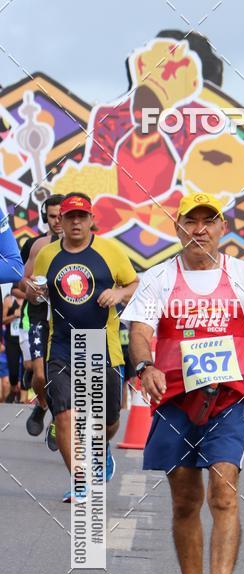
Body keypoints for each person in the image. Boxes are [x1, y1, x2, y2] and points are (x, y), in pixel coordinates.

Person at [122, 191, 244, 574]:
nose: (199, 230)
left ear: (222, 228)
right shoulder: (158, 278)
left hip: (227, 403)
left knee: (224, 495)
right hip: (175, 404)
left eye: (208, 222)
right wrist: (145, 365)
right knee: (185, 502)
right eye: (190, 222)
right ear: (178, 228)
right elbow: (139, 331)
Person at [28, 192, 138, 501]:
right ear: (59, 222)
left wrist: (118, 295)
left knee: (110, 419)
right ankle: (80, 482)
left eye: (82, 217)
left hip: (103, 346)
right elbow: (34, 292)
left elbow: (133, 284)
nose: (76, 222)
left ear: (91, 221)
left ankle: (100, 449)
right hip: (62, 346)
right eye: (69, 217)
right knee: (64, 414)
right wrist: (35, 292)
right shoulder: (47, 255)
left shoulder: (111, 252)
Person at [19, 194, 64, 444]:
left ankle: (59, 421)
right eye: (52, 216)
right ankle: (42, 406)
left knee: (62, 378)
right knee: (39, 377)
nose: (57, 221)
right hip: (39, 318)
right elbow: (23, 281)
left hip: (66, 320)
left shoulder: (85, 246)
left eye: (61, 215)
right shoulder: (38, 245)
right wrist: (33, 290)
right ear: (46, 217)